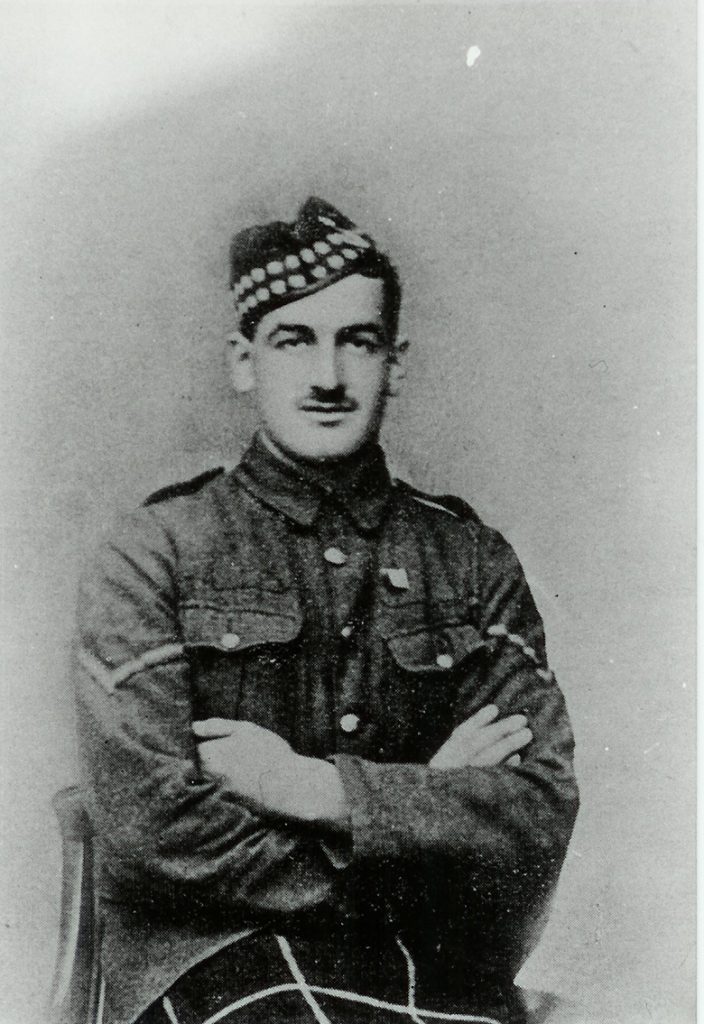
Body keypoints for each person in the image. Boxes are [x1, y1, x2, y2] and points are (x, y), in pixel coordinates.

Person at [73, 197, 579, 1024]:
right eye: (293, 340)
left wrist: (314, 790)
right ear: (243, 361)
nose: (328, 377)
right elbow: (155, 833)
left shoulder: (471, 558)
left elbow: (535, 811)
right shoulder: (152, 551)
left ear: (396, 362)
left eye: (358, 340)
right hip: (216, 965)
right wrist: (418, 813)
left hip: (437, 968)